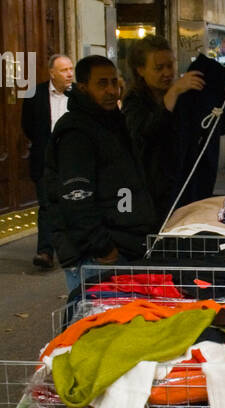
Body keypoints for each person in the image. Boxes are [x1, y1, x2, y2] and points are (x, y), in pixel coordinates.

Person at [44, 55, 158, 298]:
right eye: (101, 84)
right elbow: (76, 198)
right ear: (83, 87)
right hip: (98, 257)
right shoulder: (76, 131)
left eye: (114, 83)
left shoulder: (113, 122)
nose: (111, 90)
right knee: (96, 328)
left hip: (123, 247)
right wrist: (104, 248)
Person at [122, 36, 204, 216]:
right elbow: (145, 131)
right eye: (159, 68)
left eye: (170, 66)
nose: (167, 73)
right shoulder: (134, 101)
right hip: (151, 194)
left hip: (183, 187)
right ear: (141, 70)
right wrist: (173, 93)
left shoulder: (182, 98)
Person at [21, 53, 73, 270]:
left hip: (72, 160)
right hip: (45, 159)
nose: (69, 74)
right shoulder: (35, 93)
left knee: (71, 204)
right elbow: (28, 126)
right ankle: (45, 252)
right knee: (46, 206)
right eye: (64, 70)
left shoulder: (80, 94)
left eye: (71, 69)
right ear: (52, 72)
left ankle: (71, 250)